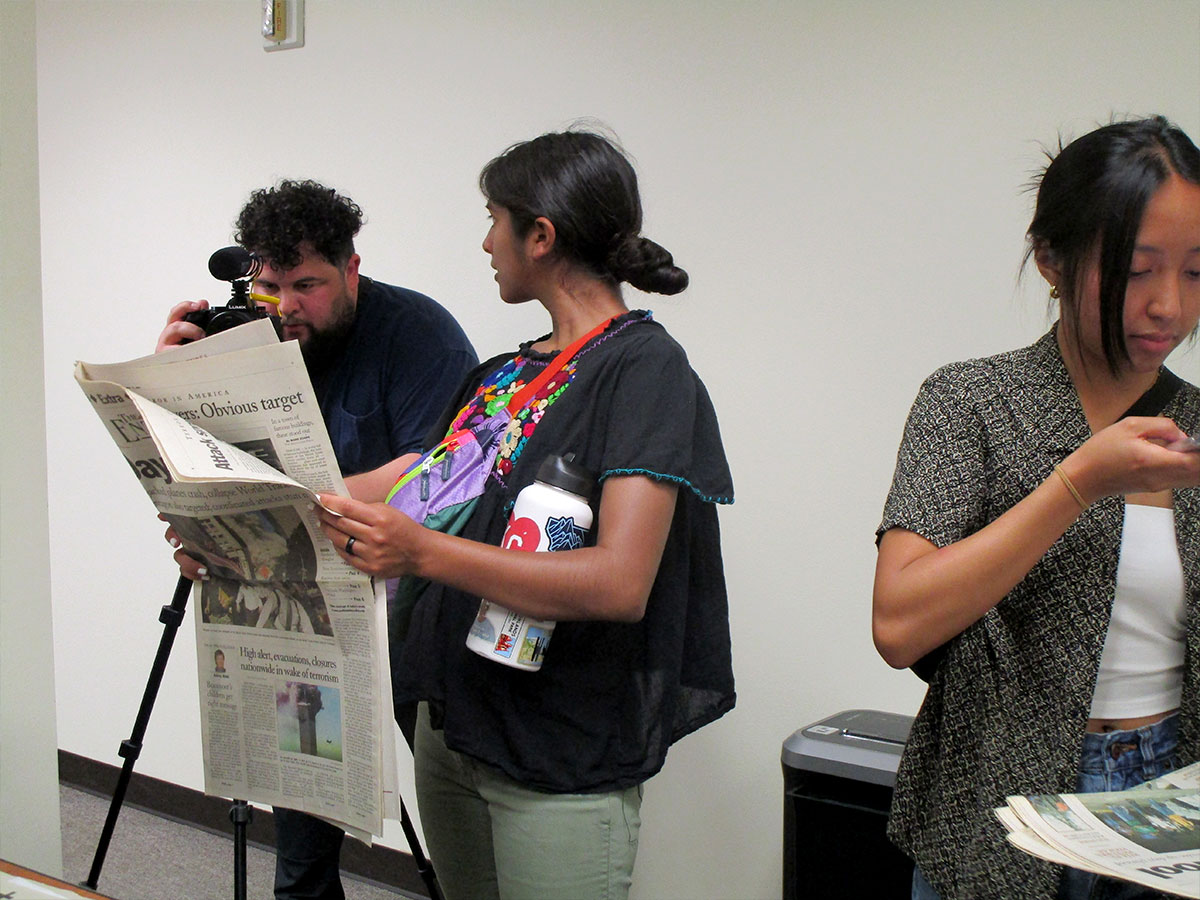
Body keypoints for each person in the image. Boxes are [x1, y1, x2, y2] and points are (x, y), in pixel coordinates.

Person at [315, 130, 735, 900]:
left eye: (493, 219)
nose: (485, 242)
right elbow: (417, 498)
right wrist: (248, 512)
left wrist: (421, 554)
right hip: (454, 730)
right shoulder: (507, 375)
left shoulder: (644, 370)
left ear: (539, 235)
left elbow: (619, 583)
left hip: (556, 756)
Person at [872, 115, 1200, 900]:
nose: (1168, 305)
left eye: (1195, 272)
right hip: (1000, 803)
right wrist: (1078, 482)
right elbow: (899, 623)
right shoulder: (973, 403)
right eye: (1137, 268)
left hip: (1170, 800)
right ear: (1052, 259)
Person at [157, 179, 477, 900]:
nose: (289, 305)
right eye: (272, 285)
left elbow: (436, 469)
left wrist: (287, 502)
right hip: (299, 608)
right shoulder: (247, 332)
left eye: (308, 284)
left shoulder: (419, 333)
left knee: (458, 809)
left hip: (411, 607)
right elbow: (208, 467)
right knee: (301, 848)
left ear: (351, 269)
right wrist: (170, 381)